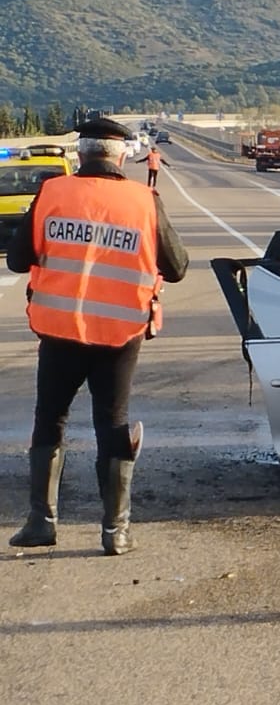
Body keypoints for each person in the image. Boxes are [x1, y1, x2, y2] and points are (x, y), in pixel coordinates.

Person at [7, 117, 189, 555]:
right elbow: (178, 267)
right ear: (121, 155)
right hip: (119, 330)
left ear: (81, 154)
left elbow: (17, 260)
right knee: (112, 422)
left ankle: (41, 522)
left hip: (59, 328)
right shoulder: (144, 201)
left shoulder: (52, 193)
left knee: (50, 419)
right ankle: (115, 532)